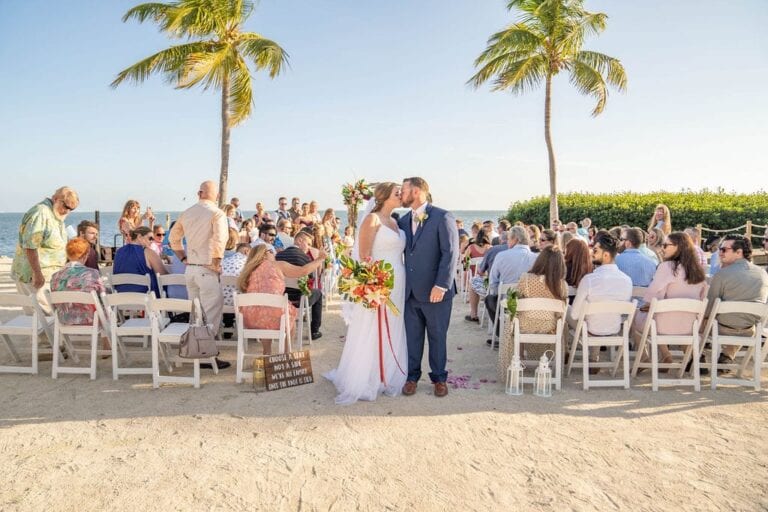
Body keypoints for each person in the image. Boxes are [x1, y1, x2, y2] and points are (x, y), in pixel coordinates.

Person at [326, 182, 408, 404]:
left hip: (398, 281)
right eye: (397, 193)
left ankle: (388, 375)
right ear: (383, 197)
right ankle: (366, 378)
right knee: (372, 328)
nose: (401, 195)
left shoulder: (395, 222)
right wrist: (373, 284)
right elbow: (363, 256)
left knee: (393, 325)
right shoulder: (372, 220)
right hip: (377, 282)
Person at [398, 177, 459, 398]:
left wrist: (441, 285)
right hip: (410, 292)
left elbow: (451, 253)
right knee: (412, 338)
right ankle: (412, 377)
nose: (400, 195)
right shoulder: (403, 221)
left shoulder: (442, 216)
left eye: (403, 191)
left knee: (437, 336)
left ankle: (440, 378)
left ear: (415, 191)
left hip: (436, 292)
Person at [169, 180, 229, 369]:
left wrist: (182, 257)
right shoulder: (217, 213)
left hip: (191, 269)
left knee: (196, 314)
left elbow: (173, 238)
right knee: (210, 315)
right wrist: (217, 263)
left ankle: (197, 351)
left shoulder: (187, 213)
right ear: (216, 196)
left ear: (199, 193)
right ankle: (207, 356)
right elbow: (221, 239)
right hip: (206, 268)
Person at [632, 232, 708, 368]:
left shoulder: (667, 267)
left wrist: (648, 305)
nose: (663, 248)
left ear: (678, 247)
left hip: (662, 326)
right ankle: (666, 355)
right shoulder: (698, 271)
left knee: (634, 317)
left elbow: (652, 296)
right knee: (655, 314)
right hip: (689, 327)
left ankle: (645, 358)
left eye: (666, 245)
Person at [238, 244, 325, 355]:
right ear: (264, 254)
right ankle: (287, 353)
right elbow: (303, 271)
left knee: (265, 314)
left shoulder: (248, 270)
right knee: (289, 317)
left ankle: (267, 351)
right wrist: (320, 259)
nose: (274, 253)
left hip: (250, 319)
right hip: (274, 316)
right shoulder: (277, 265)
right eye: (271, 251)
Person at [498, 246, 568, 380]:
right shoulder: (561, 284)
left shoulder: (527, 279)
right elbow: (561, 312)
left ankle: (517, 358)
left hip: (526, 325)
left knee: (515, 317)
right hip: (550, 327)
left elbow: (517, 299)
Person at [568, 232, 633, 371]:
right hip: (614, 329)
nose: (592, 253)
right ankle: (594, 357)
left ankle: (565, 353)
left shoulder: (589, 280)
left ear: (606, 255)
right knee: (594, 316)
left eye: (595, 250)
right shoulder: (627, 280)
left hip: (591, 330)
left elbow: (574, 315)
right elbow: (623, 314)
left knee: (568, 310)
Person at [12, 186, 79, 313]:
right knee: (42, 320)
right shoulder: (41, 213)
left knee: (48, 320)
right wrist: (37, 274)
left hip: (48, 277)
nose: (67, 212)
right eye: (65, 207)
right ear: (56, 199)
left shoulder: (55, 214)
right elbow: (30, 246)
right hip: (35, 277)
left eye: (71, 209)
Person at [704, 234, 768, 365]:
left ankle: (698, 357)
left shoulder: (722, 275)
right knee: (742, 318)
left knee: (698, 319)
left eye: (723, 250)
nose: (719, 253)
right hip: (750, 331)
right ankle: (727, 355)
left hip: (722, 330)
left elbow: (709, 309)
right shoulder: (762, 273)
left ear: (739, 252)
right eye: (719, 249)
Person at [484, 226, 538, 345]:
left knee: (489, 299)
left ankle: (504, 334)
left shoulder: (502, 256)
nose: (507, 241)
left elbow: (493, 282)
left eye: (509, 239)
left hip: (507, 303)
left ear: (515, 239)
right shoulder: (536, 257)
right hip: (530, 302)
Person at [277, 230, 326, 340]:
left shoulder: (278, 256)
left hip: (280, 298)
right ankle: (314, 331)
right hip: (298, 300)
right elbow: (308, 282)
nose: (309, 248)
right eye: (308, 244)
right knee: (318, 293)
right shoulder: (305, 258)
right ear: (299, 240)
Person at [50, 238, 106, 326]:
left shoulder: (55, 276)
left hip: (65, 320)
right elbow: (103, 297)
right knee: (106, 307)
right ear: (86, 255)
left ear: (68, 255)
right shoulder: (92, 274)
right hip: (90, 320)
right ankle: (107, 339)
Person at [113, 226, 167, 297]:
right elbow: (164, 276)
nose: (152, 241)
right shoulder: (148, 252)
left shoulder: (119, 252)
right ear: (139, 236)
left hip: (122, 298)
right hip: (146, 300)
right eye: (150, 238)